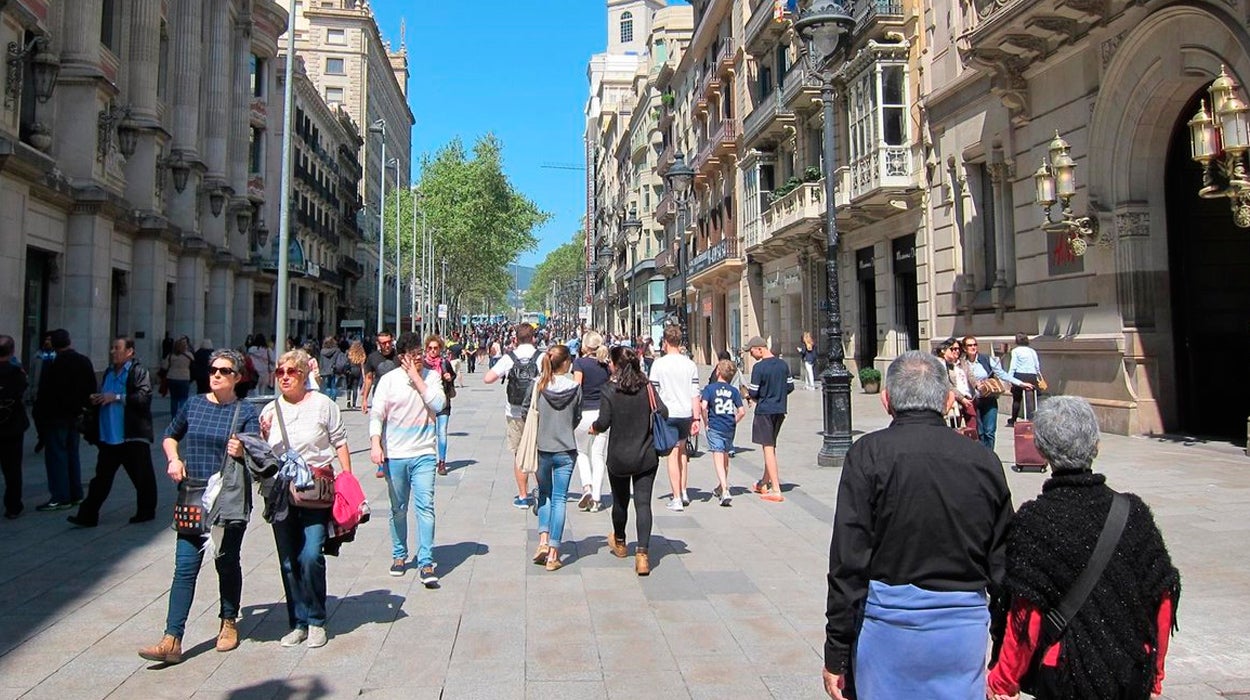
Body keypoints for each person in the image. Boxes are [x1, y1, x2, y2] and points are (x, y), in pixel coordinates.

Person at [822, 351, 1013, 700]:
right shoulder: (984, 461)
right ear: (948, 400)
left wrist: (837, 650)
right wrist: (1003, 652)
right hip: (961, 632)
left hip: (887, 629)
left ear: (887, 400)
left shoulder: (868, 455)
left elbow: (849, 560)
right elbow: (1002, 563)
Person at [987, 397, 1179, 700]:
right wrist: (1155, 674)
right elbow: (1163, 598)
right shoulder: (1134, 513)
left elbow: (1026, 615)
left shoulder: (1034, 520)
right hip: (1130, 670)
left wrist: (1003, 681)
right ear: (1096, 446)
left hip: (1064, 674)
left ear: (1041, 450)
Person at [140, 349, 261, 664]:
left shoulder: (245, 411)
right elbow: (170, 436)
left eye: (224, 371)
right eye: (212, 370)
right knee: (184, 568)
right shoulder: (194, 405)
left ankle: (228, 621)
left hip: (227, 499)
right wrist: (174, 459)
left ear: (237, 377)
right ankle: (172, 638)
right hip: (193, 494)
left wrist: (243, 450)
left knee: (226, 562)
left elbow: (258, 453)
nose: (216, 375)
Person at [259, 349, 353, 649]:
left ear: (304, 375)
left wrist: (347, 480)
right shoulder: (270, 411)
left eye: (292, 372)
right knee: (288, 561)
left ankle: (316, 620)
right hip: (280, 493)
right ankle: (298, 622)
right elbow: (263, 453)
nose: (285, 377)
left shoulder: (323, 405)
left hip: (315, 490)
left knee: (311, 555)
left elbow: (340, 442)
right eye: (280, 372)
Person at [369, 332, 446, 585]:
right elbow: (377, 414)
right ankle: (399, 554)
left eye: (420, 354)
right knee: (398, 508)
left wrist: (417, 378)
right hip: (395, 454)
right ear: (402, 357)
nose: (419, 359)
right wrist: (375, 444)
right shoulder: (388, 381)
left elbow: (438, 404)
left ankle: (426, 561)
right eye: (413, 356)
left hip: (424, 453)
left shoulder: (431, 377)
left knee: (426, 507)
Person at [591, 346, 665, 576]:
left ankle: (621, 543)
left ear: (616, 365)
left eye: (611, 362)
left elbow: (604, 422)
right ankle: (642, 555)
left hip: (619, 456)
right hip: (646, 454)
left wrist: (594, 428)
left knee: (620, 501)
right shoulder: (647, 387)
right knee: (643, 504)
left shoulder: (609, 389)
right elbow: (663, 412)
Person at [69, 337, 158, 527]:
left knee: (142, 477)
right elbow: (106, 396)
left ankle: (146, 511)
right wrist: (97, 399)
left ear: (129, 352)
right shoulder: (109, 372)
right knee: (101, 479)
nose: (113, 352)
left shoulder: (137, 372)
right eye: (112, 348)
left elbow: (144, 398)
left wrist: (116, 397)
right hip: (109, 437)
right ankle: (87, 515)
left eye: (117, 348)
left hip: (131, 435)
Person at [32, 329, 96, 511]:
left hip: (56, 416)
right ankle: (75, 493)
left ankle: (60, 496)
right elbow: (91, 387)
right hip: (75, 415)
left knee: (57, 456)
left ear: (53, 344)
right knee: (72, 454)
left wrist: (40, 416)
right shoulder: (83, 361)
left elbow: (45, 393)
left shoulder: (54, 364)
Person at [531, 344, 582, 572]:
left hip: (542, 448)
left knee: (544, 494)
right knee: (560, 498)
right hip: (566, 449)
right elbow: (577, 416)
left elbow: (528, 411)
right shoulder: (575, 388)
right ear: (566, 363)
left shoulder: (538, 385)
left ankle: (542, 541)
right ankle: (553, 554)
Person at [483, 323, 540, 509]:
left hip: (514, 412)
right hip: (536, 412)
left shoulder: (509, 358)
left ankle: (523, 496)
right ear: (533, 338)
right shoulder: (541, 357)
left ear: (515, 339)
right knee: (538, 452)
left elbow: (488, 378)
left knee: (519, 454)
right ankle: (542, 492)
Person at [649, 325, 701, 512]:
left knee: (672, 454)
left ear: (665, 342)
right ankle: (684, 491)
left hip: (668, 413)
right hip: (686, 413)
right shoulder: (689, 364)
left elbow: (653, 392)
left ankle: (676, 497)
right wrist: (696, 419)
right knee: (683, 451)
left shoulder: (659, 364)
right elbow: (695, 393)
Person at [744, 336, 794, 502]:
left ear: (760, 349)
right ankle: (764, 482)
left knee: (767, 447)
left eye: (751, 351)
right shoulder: (783, 365)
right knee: (770, 447)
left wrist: (749, 395)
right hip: (780, 409)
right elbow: (790, 386)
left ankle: (776, 489)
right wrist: (777, 394)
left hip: (764, 410)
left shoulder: (759, 368)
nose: (751, 355)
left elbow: (754, 392)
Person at [963, 336, 1032, 450]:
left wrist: (1020, 383)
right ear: (965, 348)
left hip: (989, 399)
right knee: (979, 432)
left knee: (989, 431)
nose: (973, 347)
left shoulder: (986, 359)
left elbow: (1002, 374)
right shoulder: (962, 363)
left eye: (975, 344)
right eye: (970, 345)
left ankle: (990, 455)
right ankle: (982, 455)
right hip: (974, 401)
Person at [572, 332, 610, 512]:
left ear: (585, 346)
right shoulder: (605, 365)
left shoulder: (580, 363)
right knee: (598, 455)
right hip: (602, 413)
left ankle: (587, 486)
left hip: (583, 413)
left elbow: (576, 387)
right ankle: (596, 498)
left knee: (581, 452)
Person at [701, 359, 745, 507]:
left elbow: (703, 406)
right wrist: (734, 421)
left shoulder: (709, 389)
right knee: (725, 457)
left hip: (715, 426)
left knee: (718, 457)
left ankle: (725, 490)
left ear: (718, 372)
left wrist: (706, 422)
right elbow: (741, 411)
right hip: (729, 427)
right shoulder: (733, 391)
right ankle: (721, 486)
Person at [0, 336, 30, 519]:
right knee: (12, 469)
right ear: (12, 351)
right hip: (12, 427)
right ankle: (13, 505)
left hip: (12, 426)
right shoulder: (16, 372)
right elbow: (23, 391)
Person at [424, 335, 455, 476]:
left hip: (443, 402)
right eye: (430, 348)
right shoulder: (422, 364)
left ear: (440, 349)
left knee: (442, 432)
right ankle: (429, 460)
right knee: (429, 433)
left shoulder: (444, 363)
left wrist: (449, 378)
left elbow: (452, 376)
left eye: (435, 348)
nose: (432, 351)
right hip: (427, 403)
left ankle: (442, 462)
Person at [938, 337, 977, 432]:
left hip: (968, 398)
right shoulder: (942, 364)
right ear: (944, 350)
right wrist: (961, 398)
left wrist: (978, 385)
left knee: (972, 427)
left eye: (958, 349)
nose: (957, 351)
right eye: (953, 349)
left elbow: (971, 377)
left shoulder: (963, 363)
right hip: (955, 400)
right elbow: (947, 384)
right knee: (955, 428)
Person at [1006, 332, 1042, 427]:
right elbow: (1037, 365)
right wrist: (1038, 375)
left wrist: (1010, 377)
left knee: (1017, 399)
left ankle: (1013, 420)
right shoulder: (1032, 351)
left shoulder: (1015, 351)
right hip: (1031, 375)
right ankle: (1031, 419)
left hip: (1020, 375)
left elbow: (1013, 365)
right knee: (1030, 398)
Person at [359, 330, 398, 414]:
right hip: (379, 396)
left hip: (397, 397)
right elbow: (369, 379)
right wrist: (364, 399)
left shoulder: (399, 356)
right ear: (378, 344)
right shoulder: (373, 357)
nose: (387, 345)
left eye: (389, 342)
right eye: (384, 343)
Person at [164, 337, 195, 415]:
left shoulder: (171, 355)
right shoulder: (189, 355)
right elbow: (193, 365)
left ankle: (174, 416)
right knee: (183, 398)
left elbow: (164, 366)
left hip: (172, 377)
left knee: (174, 399)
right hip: (184, 377)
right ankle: (182, 416)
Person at [317, 337, 346, 402]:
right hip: (334, 370)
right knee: (334, 387)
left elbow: (321, 362)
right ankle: (332, 401)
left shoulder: (322, 351)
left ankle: (328, 401)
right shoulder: (337, 350)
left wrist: (320, 371)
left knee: (327, 387)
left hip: (325, 371)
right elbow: (339, 360)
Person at [344, 340, 366, 409]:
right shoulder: (362, 353)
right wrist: (363, 375)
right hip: (357, 370)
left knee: (349, 386)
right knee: (355, 387)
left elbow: (346, 361)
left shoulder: (349, 352)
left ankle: (348, 401)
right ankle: (354, 404)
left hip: (350, 370)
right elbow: (362, 365)